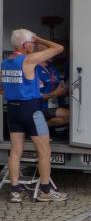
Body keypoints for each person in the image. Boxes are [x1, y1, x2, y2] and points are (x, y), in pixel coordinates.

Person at [1, 29, 68, 202]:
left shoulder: (5, 62)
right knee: (44, 151)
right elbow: (58, 48)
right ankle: (45, 192)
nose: (34, 45)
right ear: (25, 45)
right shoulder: (28, 60)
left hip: (12, 109)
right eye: (32, 43)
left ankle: (15, 191)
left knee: (16, 151)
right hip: (31, 109)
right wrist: (40, 39)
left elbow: (1, 88)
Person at [36, 53, 70, 127]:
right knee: (70, 115)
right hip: (42, 107)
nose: (53, 55)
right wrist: (55, 93)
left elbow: (59, 85)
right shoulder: (35, 69)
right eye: (50, 52)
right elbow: (36, 97)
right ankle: (39, 127)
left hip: (56, 104)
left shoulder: (52, 67)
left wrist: (64, 90)